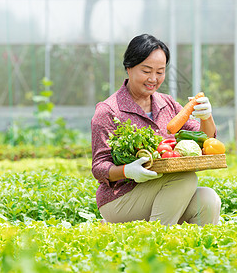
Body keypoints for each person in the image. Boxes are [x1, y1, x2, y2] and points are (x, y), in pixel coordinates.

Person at [91, 34, 221, 226]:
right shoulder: (109, 110)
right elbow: (99, 167)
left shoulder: (167, 103)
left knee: (208, 199)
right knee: (184, 178)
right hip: (120, 198)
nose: (153, 79)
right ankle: (155, 244)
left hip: (166, 189)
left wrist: (206, 116)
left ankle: (193, 254)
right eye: (146, 71)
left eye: (160, 72)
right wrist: (128, 170)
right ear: (129, 68)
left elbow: (206, 140)